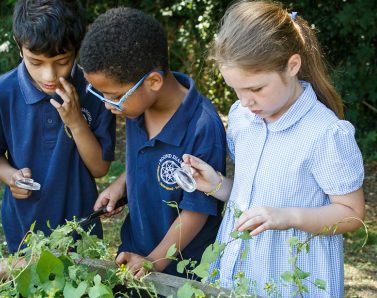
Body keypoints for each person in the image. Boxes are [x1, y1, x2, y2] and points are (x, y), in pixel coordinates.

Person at [182, 1, 365, 298]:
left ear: (292, 66)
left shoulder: (325, 133)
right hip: (236, 278)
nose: (245, 101)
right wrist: (217, 186)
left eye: (256, 88)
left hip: (291, 287)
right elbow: (254, 196)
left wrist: (288, 217)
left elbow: (351, 214)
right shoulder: (243, 118)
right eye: (236, 90)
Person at [79, 7, 226, 278]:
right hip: (135, 252)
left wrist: (153, 262)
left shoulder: (201, 126)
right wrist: (120, 184)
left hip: (182, 274)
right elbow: (146, 158)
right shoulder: (135, 110)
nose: (109, 106)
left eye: (114, 96)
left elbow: (196, 211)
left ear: (153, 81)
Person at [0, 0, 116, 254]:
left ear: (77, 48)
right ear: (20, 46)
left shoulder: (95, 90)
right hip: (24, 229)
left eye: (62, 61)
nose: (49, 76)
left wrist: (76, 121)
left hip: (81, 229)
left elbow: (99, 167)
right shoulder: (4, 92)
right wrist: (10, 176)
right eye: (36, 62)